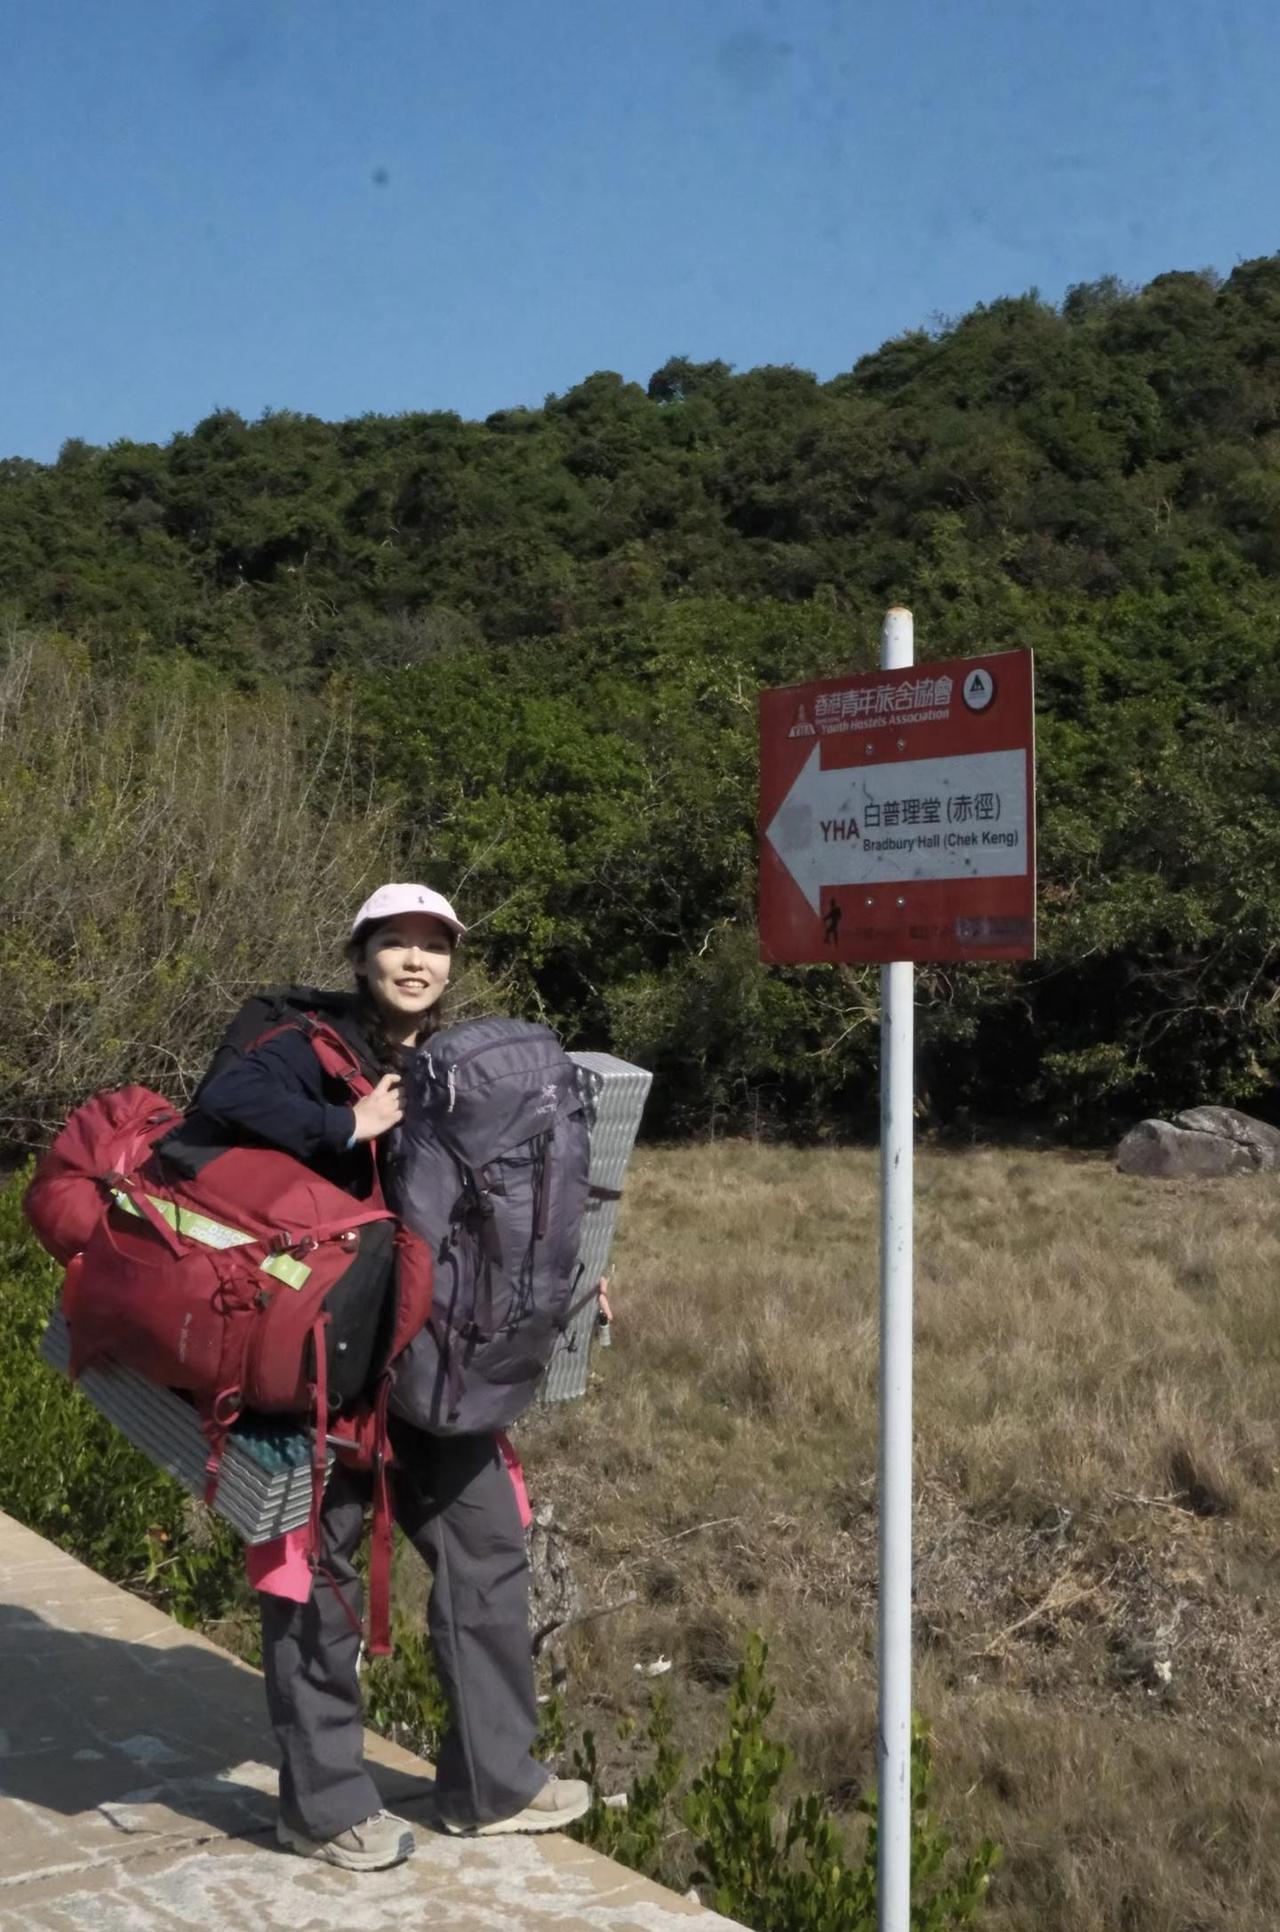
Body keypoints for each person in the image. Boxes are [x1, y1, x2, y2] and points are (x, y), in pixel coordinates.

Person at [194, 882, 590, 1871]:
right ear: (360, 952)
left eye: (434, 946)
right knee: (313, 1578)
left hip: (434, 1366)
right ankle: (322, 1807)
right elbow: (220, 1105)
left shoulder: (461, 1067)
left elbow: (512, 1199)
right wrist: (349, 1125)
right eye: (396, 943)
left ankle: (490, 1784)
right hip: (322, 1366)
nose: (417, 962)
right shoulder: (299, 1034)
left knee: (486, 1546)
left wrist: (577, 1280)